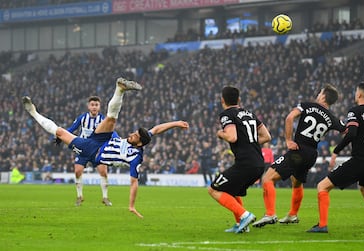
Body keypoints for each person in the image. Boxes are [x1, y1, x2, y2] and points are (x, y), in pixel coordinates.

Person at [23, 77, 189, 218]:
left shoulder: (135, 158)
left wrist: (131, 206)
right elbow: (157, 129)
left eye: (135, 136)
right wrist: (176, 123)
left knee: (59, 132)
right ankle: (120, 89)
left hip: (93, 151)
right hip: (103, 139)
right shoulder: (141, 138)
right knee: (111, 119)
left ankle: (33, 113)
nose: (131, 134)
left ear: (139, 143)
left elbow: (134, 183)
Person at [252, 84, 346, 228]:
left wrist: (288, 140)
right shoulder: (332, 118)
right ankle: (292, 214)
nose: (317, 95)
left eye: (320, 93)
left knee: (267, 179)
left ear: (323, 96)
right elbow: (347, 131)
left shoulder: (307, 106)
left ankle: (270, 213)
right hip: (312, 154)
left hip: (299, 150)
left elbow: (290, 118)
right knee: (296, 182)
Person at [307, 82, 364, 233]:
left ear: (359, 94)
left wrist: (336, 151)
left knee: (322, 186)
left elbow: (351, 133)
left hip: (360, 159)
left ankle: (322, 225)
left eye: (355, 91)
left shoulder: (355, 111)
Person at [208, 86, 272, 233]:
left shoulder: (226, 115)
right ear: (239, 99)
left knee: (213, 189)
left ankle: (245, 215)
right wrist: (250, 144)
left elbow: (232, 137)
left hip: (246, 164)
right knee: (232, 191)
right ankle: (240, 226)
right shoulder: (250, 114)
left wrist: (220, 133)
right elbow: (267, 137)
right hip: (258, 163)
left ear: (222, 100)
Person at [62, 96, 112, 206]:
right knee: (77, 171)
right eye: (92, 105)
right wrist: (61, 134)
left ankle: (105, 197)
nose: (94, 107)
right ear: (88, 106)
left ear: (99, 107)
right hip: (83, 149)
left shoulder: (103, 120)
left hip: (96, 150)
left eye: (96, 105)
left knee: (103, 172)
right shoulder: (82, 118)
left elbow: (111, 132)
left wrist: (118, 139)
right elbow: (72, 129)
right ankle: (79, 196)